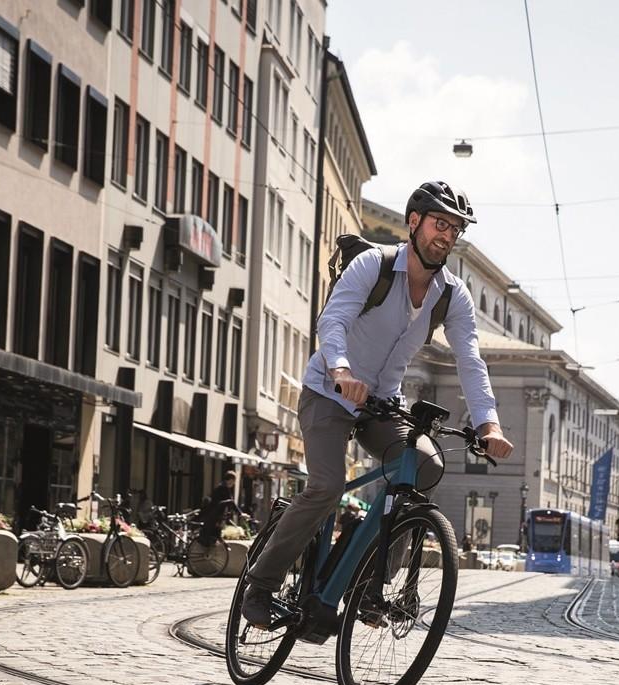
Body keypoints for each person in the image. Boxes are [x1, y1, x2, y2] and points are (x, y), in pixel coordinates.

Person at [241, 180, 514, 627]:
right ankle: (261, 584)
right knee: (327, 486)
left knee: (424, 468)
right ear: (414, 222)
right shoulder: (375, 265)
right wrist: (342, 371)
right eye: (439, 223)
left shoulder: (452, 296)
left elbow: (470, 361)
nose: (446, 235)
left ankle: (368, 585)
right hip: (329, 392)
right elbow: (333, 319)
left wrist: (490, 425)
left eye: (455, 228)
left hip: (382, 405)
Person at [198, 471, 240, 545]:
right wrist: (240, 513)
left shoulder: (221, 487)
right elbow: (231, 502)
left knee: (215, 534)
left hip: (214, 515)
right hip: (214, 516)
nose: (234, 484)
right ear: (230, 480)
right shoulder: (223, 488)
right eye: (234, 481)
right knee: (214, 534)